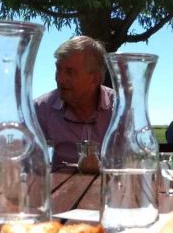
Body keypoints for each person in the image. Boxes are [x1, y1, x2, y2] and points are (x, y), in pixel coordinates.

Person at [34, 36, 114, 167]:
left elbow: (134, 160)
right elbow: (20, 156)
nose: (60, 79)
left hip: (110, 185)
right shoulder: (41, 109)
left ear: (95, 78)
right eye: (58, 69)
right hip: (58, 187)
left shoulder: (120, 109)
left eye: (70, 72)